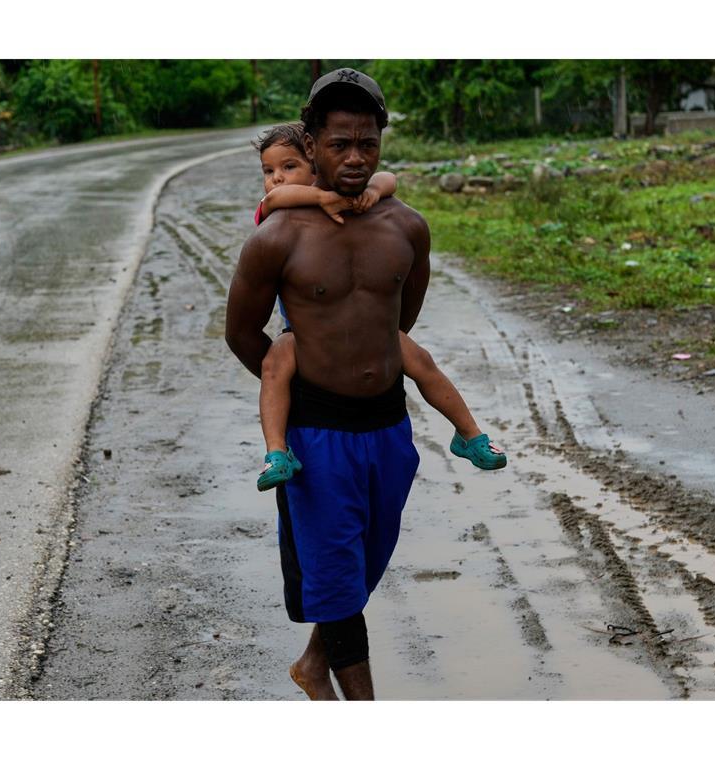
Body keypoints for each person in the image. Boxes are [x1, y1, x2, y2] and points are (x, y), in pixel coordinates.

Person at [227, 68, 451, 700]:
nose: (354, 158)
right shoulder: (278, 236)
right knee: (336, 582)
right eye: (338, 144)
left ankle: (311, 663)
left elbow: (397, 321)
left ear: (380, 142)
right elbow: (243, 334)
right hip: (317, 438)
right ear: (314, 143)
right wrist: (307, 379)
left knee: (365, 564)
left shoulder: (407, 227)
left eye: (367, 144)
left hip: (388, 429)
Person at [249, 124, 506, 493]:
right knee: (275, 364)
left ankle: (469, 434)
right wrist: (319, 199)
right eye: (268, 170)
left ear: (317, 163)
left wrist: (372, 189)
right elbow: (274, 200)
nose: (276, 179)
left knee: (420, 360)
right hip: (306, 335)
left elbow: (389, 177)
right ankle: (277, 451)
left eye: (288, 167)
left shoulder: (355, 205)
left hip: (371, 331)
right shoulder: (279, 215)